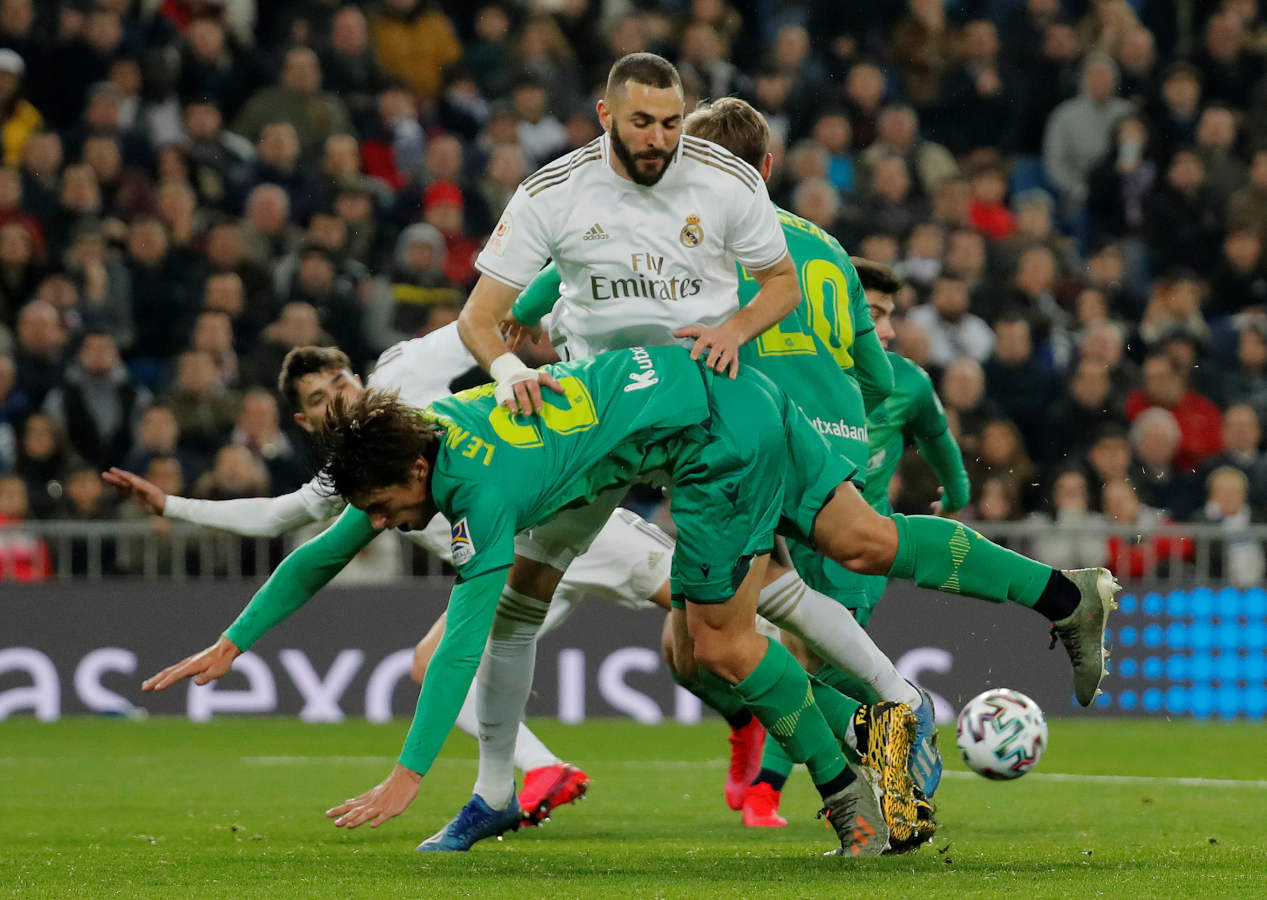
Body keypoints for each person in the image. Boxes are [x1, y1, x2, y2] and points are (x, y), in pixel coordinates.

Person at [138, 346, 915, 859]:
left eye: (381, 507)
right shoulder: (417, 441)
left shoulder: (479, 495)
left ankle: (873, 741)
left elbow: (458, 650)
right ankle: (498, 792)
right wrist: (234, 642)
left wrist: (407, 775)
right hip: (609, 461)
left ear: (414, 470)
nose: (379, 525)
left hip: (707, 432)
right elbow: (318, 554)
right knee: (817, 567)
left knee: (721, 637)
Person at [740, 259, 972, 828]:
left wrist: (958, 492)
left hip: (856, 546)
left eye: (889, 316)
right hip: (793, 533)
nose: (885, 331)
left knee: (810, 658)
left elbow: (939, 441)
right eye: (873, 314)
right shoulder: (789, 373)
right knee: (770, 657)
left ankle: (774, 788)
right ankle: (885, 744)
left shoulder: (904, 382)